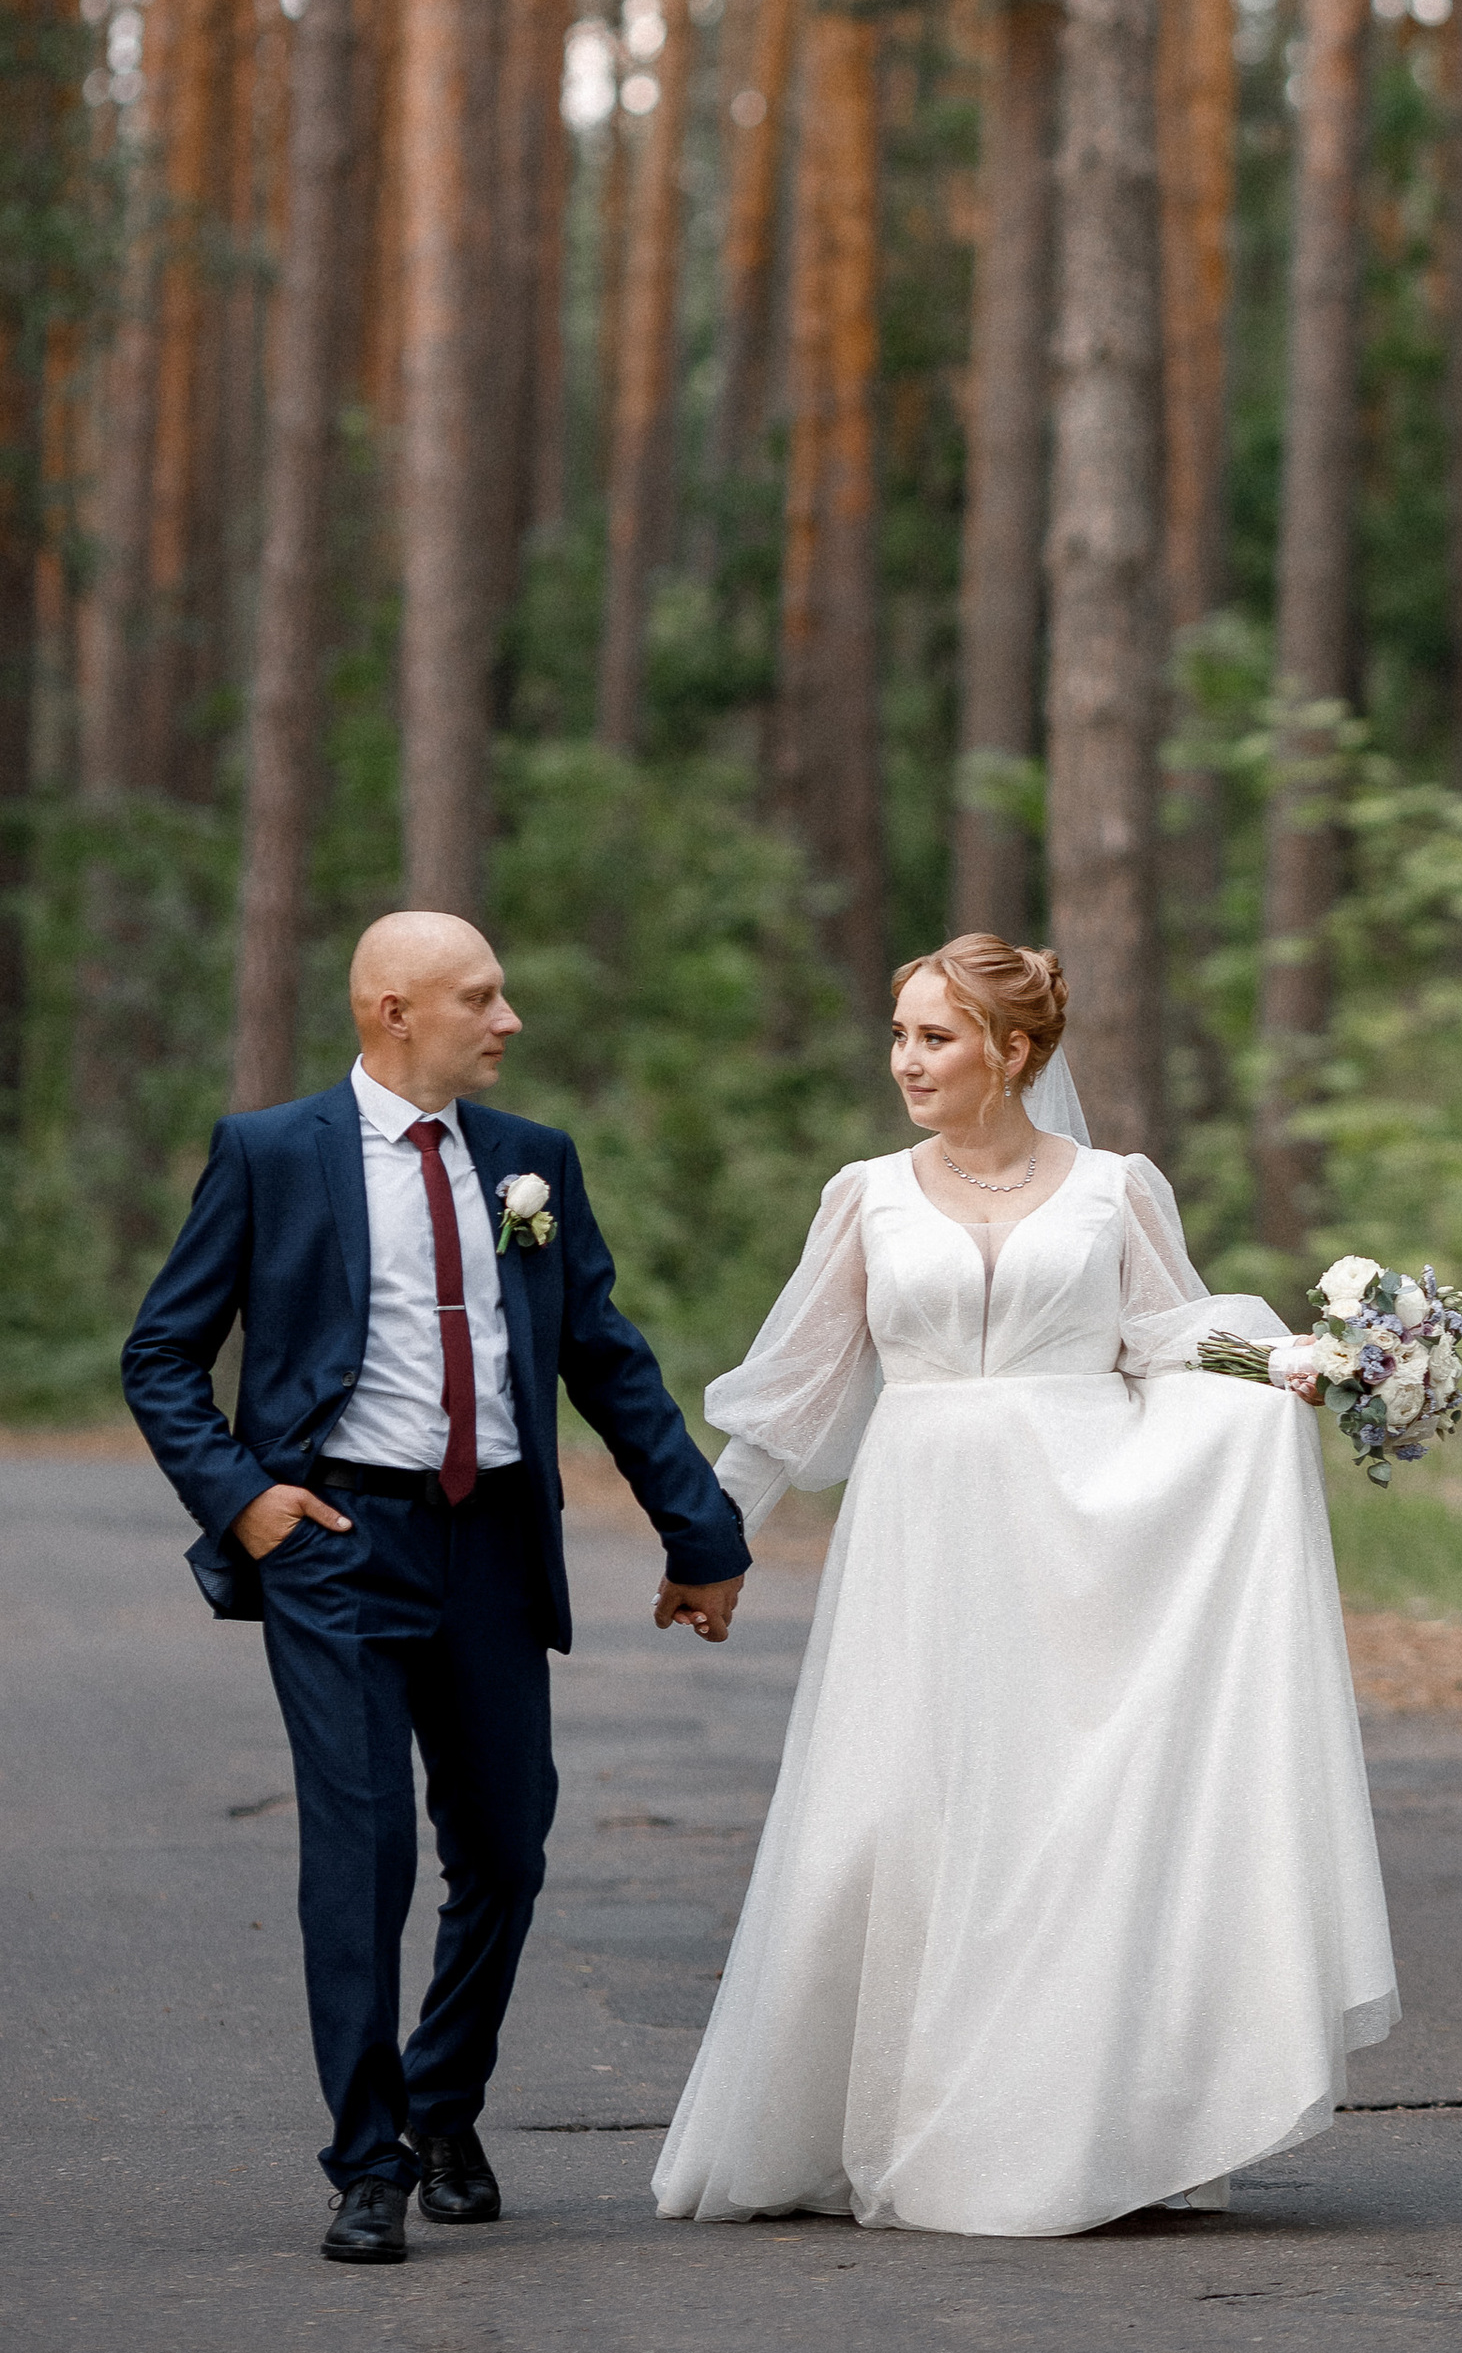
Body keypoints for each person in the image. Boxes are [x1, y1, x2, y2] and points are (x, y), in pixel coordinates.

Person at [653, 931, 1397, 2236]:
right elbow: (794, 1392)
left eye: (934, 1038)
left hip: (1080, 1530)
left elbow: (1176, 1341)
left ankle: (1061, 2125)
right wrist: (714, 1539)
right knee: (900, 1815)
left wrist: (1297, 1367)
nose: (906, 1062)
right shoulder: (866, 1198)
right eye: (899, 1036)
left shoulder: (1118, 1191)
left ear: (1014, 1050)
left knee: (1055, 1820)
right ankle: (873, 2112)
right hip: (923, 1529)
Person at [122, 910, 752, 2266]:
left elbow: (605, 1356)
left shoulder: (532, 1164)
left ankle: (440, 2105)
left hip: (489, 1550)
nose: (509, 1018)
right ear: (395, 1010)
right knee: (364, 1859)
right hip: (338, 1547)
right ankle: (366, 2163)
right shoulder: (270, 1154)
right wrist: (246, 1502)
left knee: (507, 1849)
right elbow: (163, 1355)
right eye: (483, 997)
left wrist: (700, 1534)